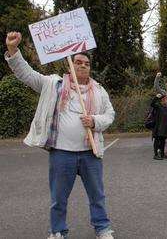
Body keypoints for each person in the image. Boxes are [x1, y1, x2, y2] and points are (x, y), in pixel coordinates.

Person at [5, 32, 115, 239]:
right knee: (59, 198)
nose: (82, 65)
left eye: (86, 63)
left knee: (97, 195)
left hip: (90, 152)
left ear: (89, 68)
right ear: (70, 66)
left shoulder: (99, 90)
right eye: (78, 62)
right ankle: (57, 231)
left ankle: (102, 228)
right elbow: (26, 74)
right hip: (62, 153)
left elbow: (110, 115)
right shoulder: (52, 85)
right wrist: (13, 50)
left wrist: (95, 121)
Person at [151, 93, 167, 160]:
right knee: (157, 141)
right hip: (158, 128)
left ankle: (162, 154)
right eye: (166, 100)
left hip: (165, 128)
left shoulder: (166, 108)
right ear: (163, 100)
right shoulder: (158, 106)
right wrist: (156, 97)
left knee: (163, 141)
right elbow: (152, 104)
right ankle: (156, 155)